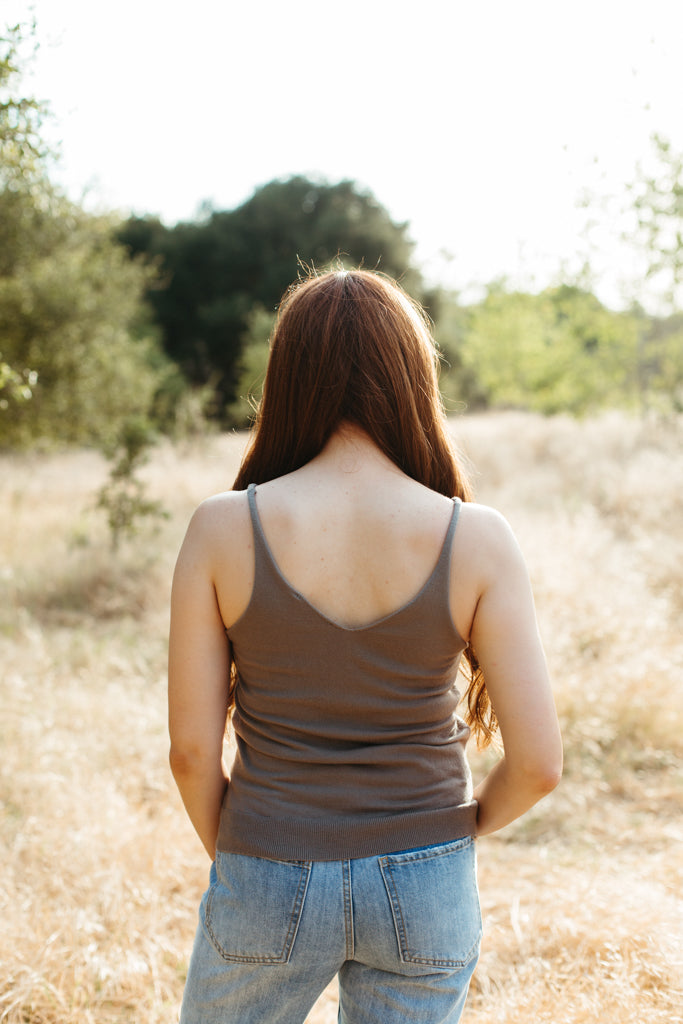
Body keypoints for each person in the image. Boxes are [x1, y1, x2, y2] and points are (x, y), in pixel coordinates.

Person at [168, 268, 563, 1024]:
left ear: (288, 377)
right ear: (413, 376)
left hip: (266, 860)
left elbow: (191, 752)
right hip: (427, 877)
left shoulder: (221, 528)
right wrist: (446, 839)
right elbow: (540, 764)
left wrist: (250, 858)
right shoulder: (476, 538)